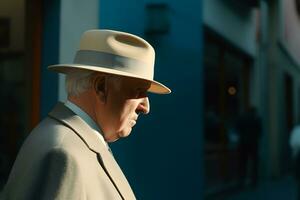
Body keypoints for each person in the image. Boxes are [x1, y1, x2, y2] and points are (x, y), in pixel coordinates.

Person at [1, 29, 171, 200]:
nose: (145, 107)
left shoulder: (72, 142)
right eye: (138, 91)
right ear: (101, 87)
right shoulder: (64, 153)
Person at [235, 106, 262, 188]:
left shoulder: (242, 118)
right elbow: (260, 131)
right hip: (253, 143)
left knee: (242, 162)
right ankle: (254, 180)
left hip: (243, 143)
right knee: (254, 162)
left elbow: (237, 128)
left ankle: (241, 180)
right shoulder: (256, 119)